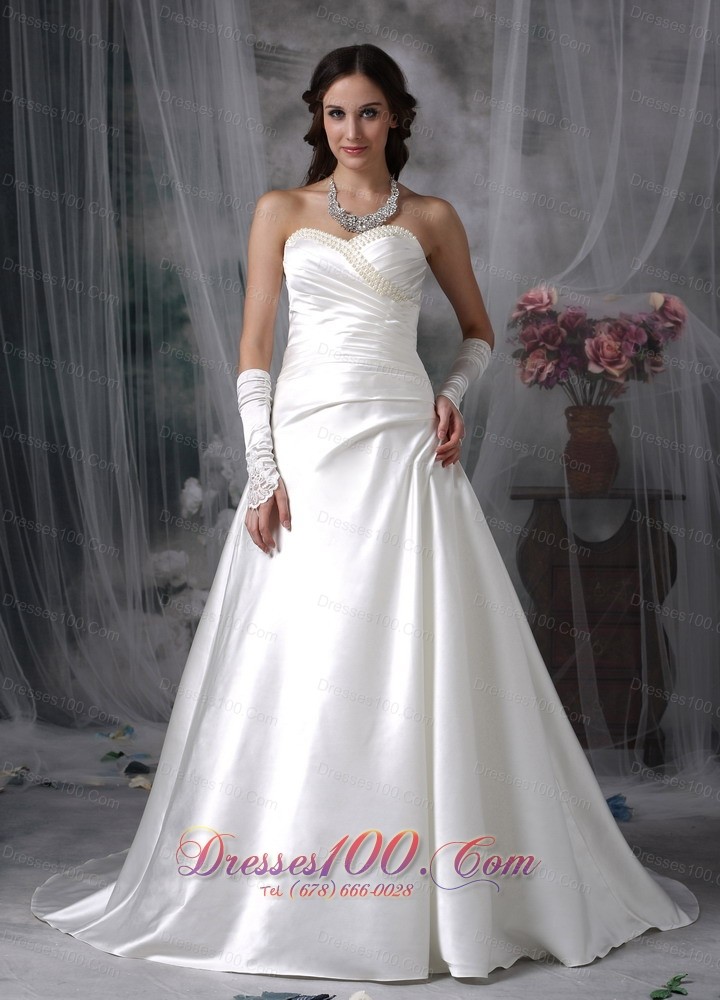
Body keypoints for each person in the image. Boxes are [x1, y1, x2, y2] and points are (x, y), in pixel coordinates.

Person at [31, 43, 698, 984]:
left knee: (416, 646)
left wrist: (453, 396)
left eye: (369, 113)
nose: (352, 130)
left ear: (397, 119)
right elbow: (254, 348)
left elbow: (479, 332)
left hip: (403, 446)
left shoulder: (431, 217)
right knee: (306, 645)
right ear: (318, 118)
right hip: (307, 448)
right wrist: (262, 470)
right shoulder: (281, 211)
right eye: (337, 113)